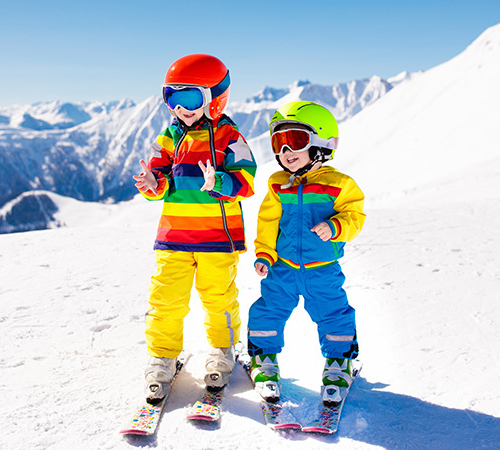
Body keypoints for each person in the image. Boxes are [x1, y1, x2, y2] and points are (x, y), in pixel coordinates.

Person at [132, 54, 257, 404]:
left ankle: (222, 351)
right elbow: (159, 182)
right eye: (172, 97)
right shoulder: (168, 137)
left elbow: (246, 181)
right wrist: (149, 183)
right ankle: (162, 357)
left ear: (215, 98)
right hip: (173, 239)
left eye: (190, 98)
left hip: (218, 240)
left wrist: (219, 181)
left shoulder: (230, 136)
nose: (181, 108)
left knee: (218, 299)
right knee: (165, 300)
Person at [246, 100, 365, 406]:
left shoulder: (339, 184)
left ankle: (340, 364)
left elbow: (355, 216)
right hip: (282, 268)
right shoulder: (278, 184)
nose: (286, 152)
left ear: (323, 144)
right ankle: (263, 360)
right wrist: (264, 254)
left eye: (295, 141)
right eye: (279, 143)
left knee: (333, 314)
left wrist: (336, 226)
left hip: (322, 268)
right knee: (267, 311)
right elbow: (269, 221)